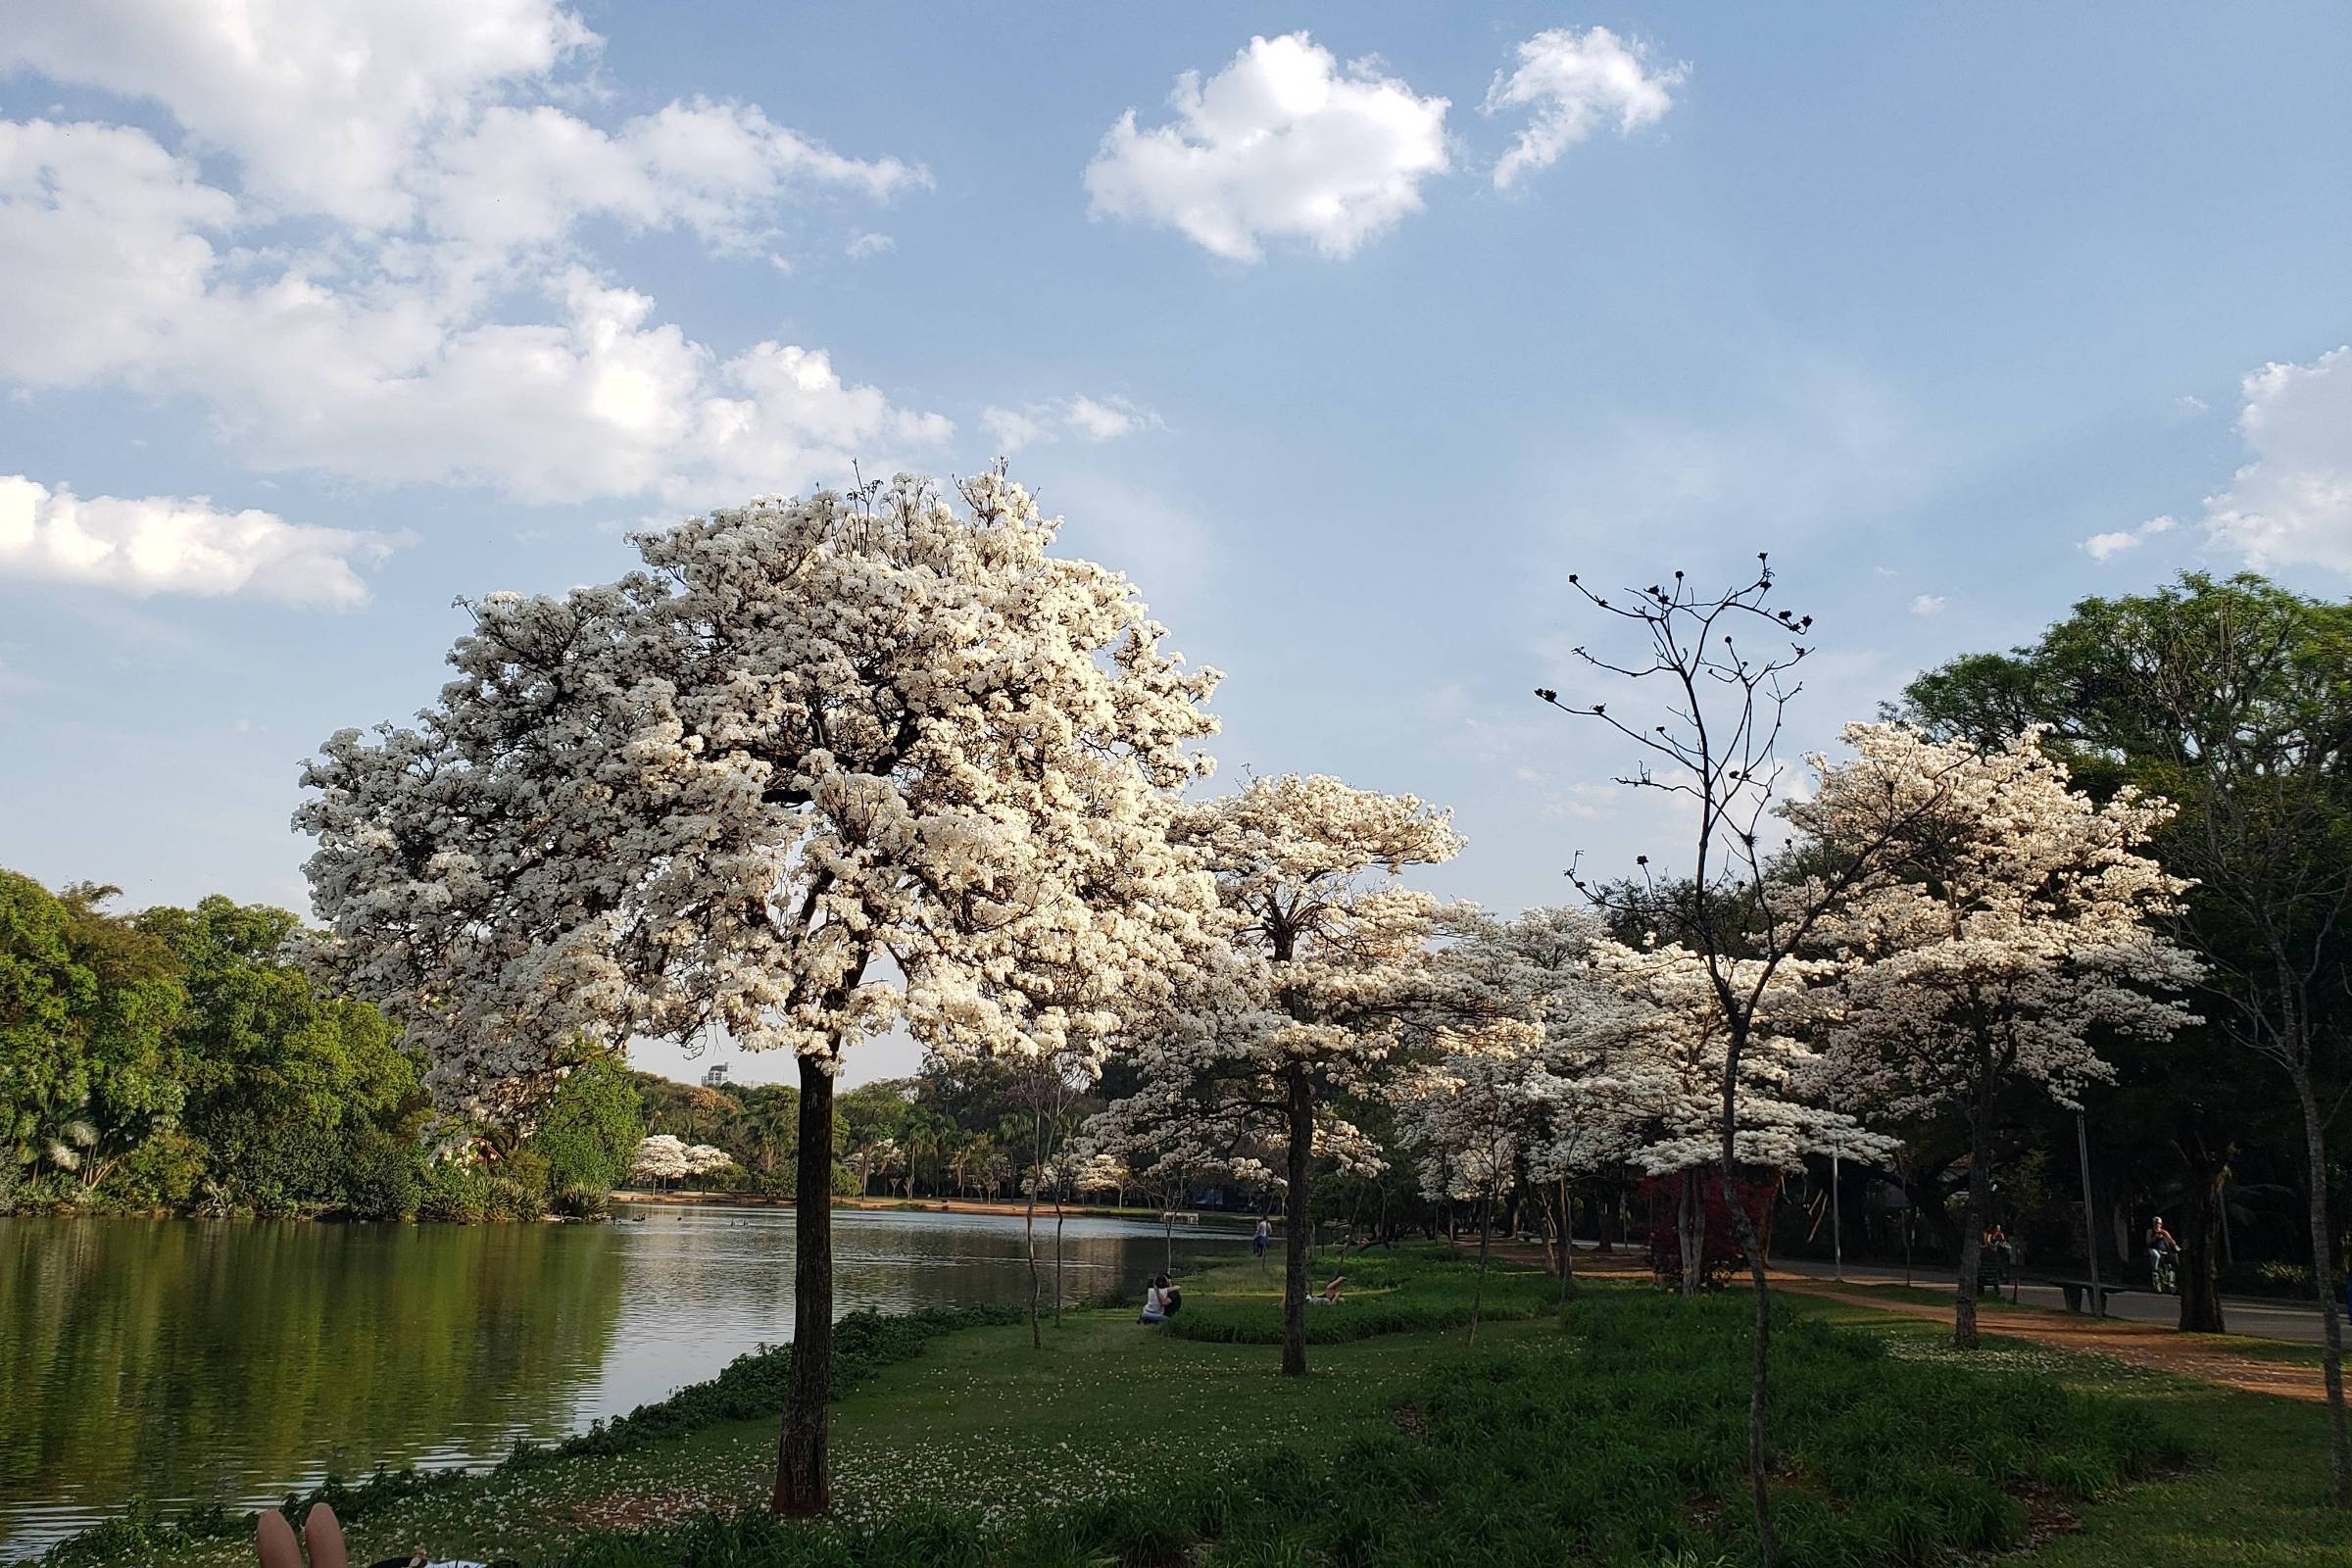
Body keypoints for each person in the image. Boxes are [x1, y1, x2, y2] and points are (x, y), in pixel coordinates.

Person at [2146, 1216, 2179, 1294]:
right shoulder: (2150, 1231)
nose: (2157, 1225)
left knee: (2172, 1259)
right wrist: (2155, 1237)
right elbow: (2148, 1242)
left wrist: (2175, 1246)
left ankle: (2171, 1280)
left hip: (2164, 1250)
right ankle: (2155, 1271)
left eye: (2159, 1224)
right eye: (2156, 1223)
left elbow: (2170, 1239)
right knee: (2156, 1256)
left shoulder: (2163, 1232)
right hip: (2154, 1249)